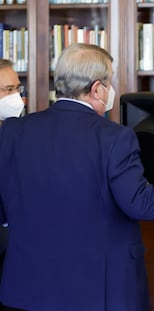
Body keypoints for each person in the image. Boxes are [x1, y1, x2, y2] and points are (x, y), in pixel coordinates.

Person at [0, 43, 154, 311]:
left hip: (27, 288)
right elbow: (141, 203)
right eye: (110, 83)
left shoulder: (13, 132)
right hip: (96, 290)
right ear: (97, 88)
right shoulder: (114, 137)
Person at [0, 59, 26, 311]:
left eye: (18, 88)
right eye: (8, 90)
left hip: (16, 251)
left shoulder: (18, 132)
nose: (16, 97)